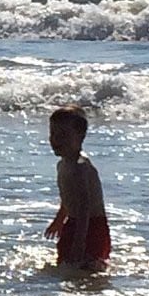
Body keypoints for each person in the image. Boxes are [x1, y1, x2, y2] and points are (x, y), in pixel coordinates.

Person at [45, 104, 111, 269]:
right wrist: (59, 220)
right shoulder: (62, 165)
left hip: (92, 226)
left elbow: (84, 206)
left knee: (85, 266)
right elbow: (67, 198)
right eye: (53, 134)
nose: (56, 140)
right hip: (74, 222)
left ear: (80, 136)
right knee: (64, 264)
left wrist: (79, 242)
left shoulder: (80, 167)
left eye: (63, 135)